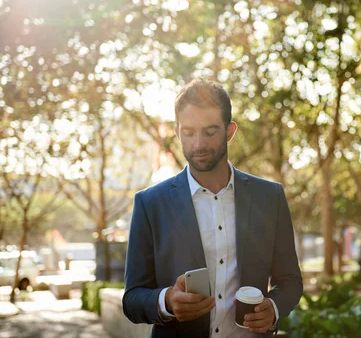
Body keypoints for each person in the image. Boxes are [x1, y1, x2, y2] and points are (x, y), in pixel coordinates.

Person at [122, 79, 303, 337]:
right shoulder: (150, 204)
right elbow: (132, 299)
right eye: (188, 133)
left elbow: (290, 281)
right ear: (177, 131)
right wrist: (167, 301)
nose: (198, 145)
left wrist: (273, 308)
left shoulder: (270, 197)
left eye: (210, 132)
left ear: (230, 131)